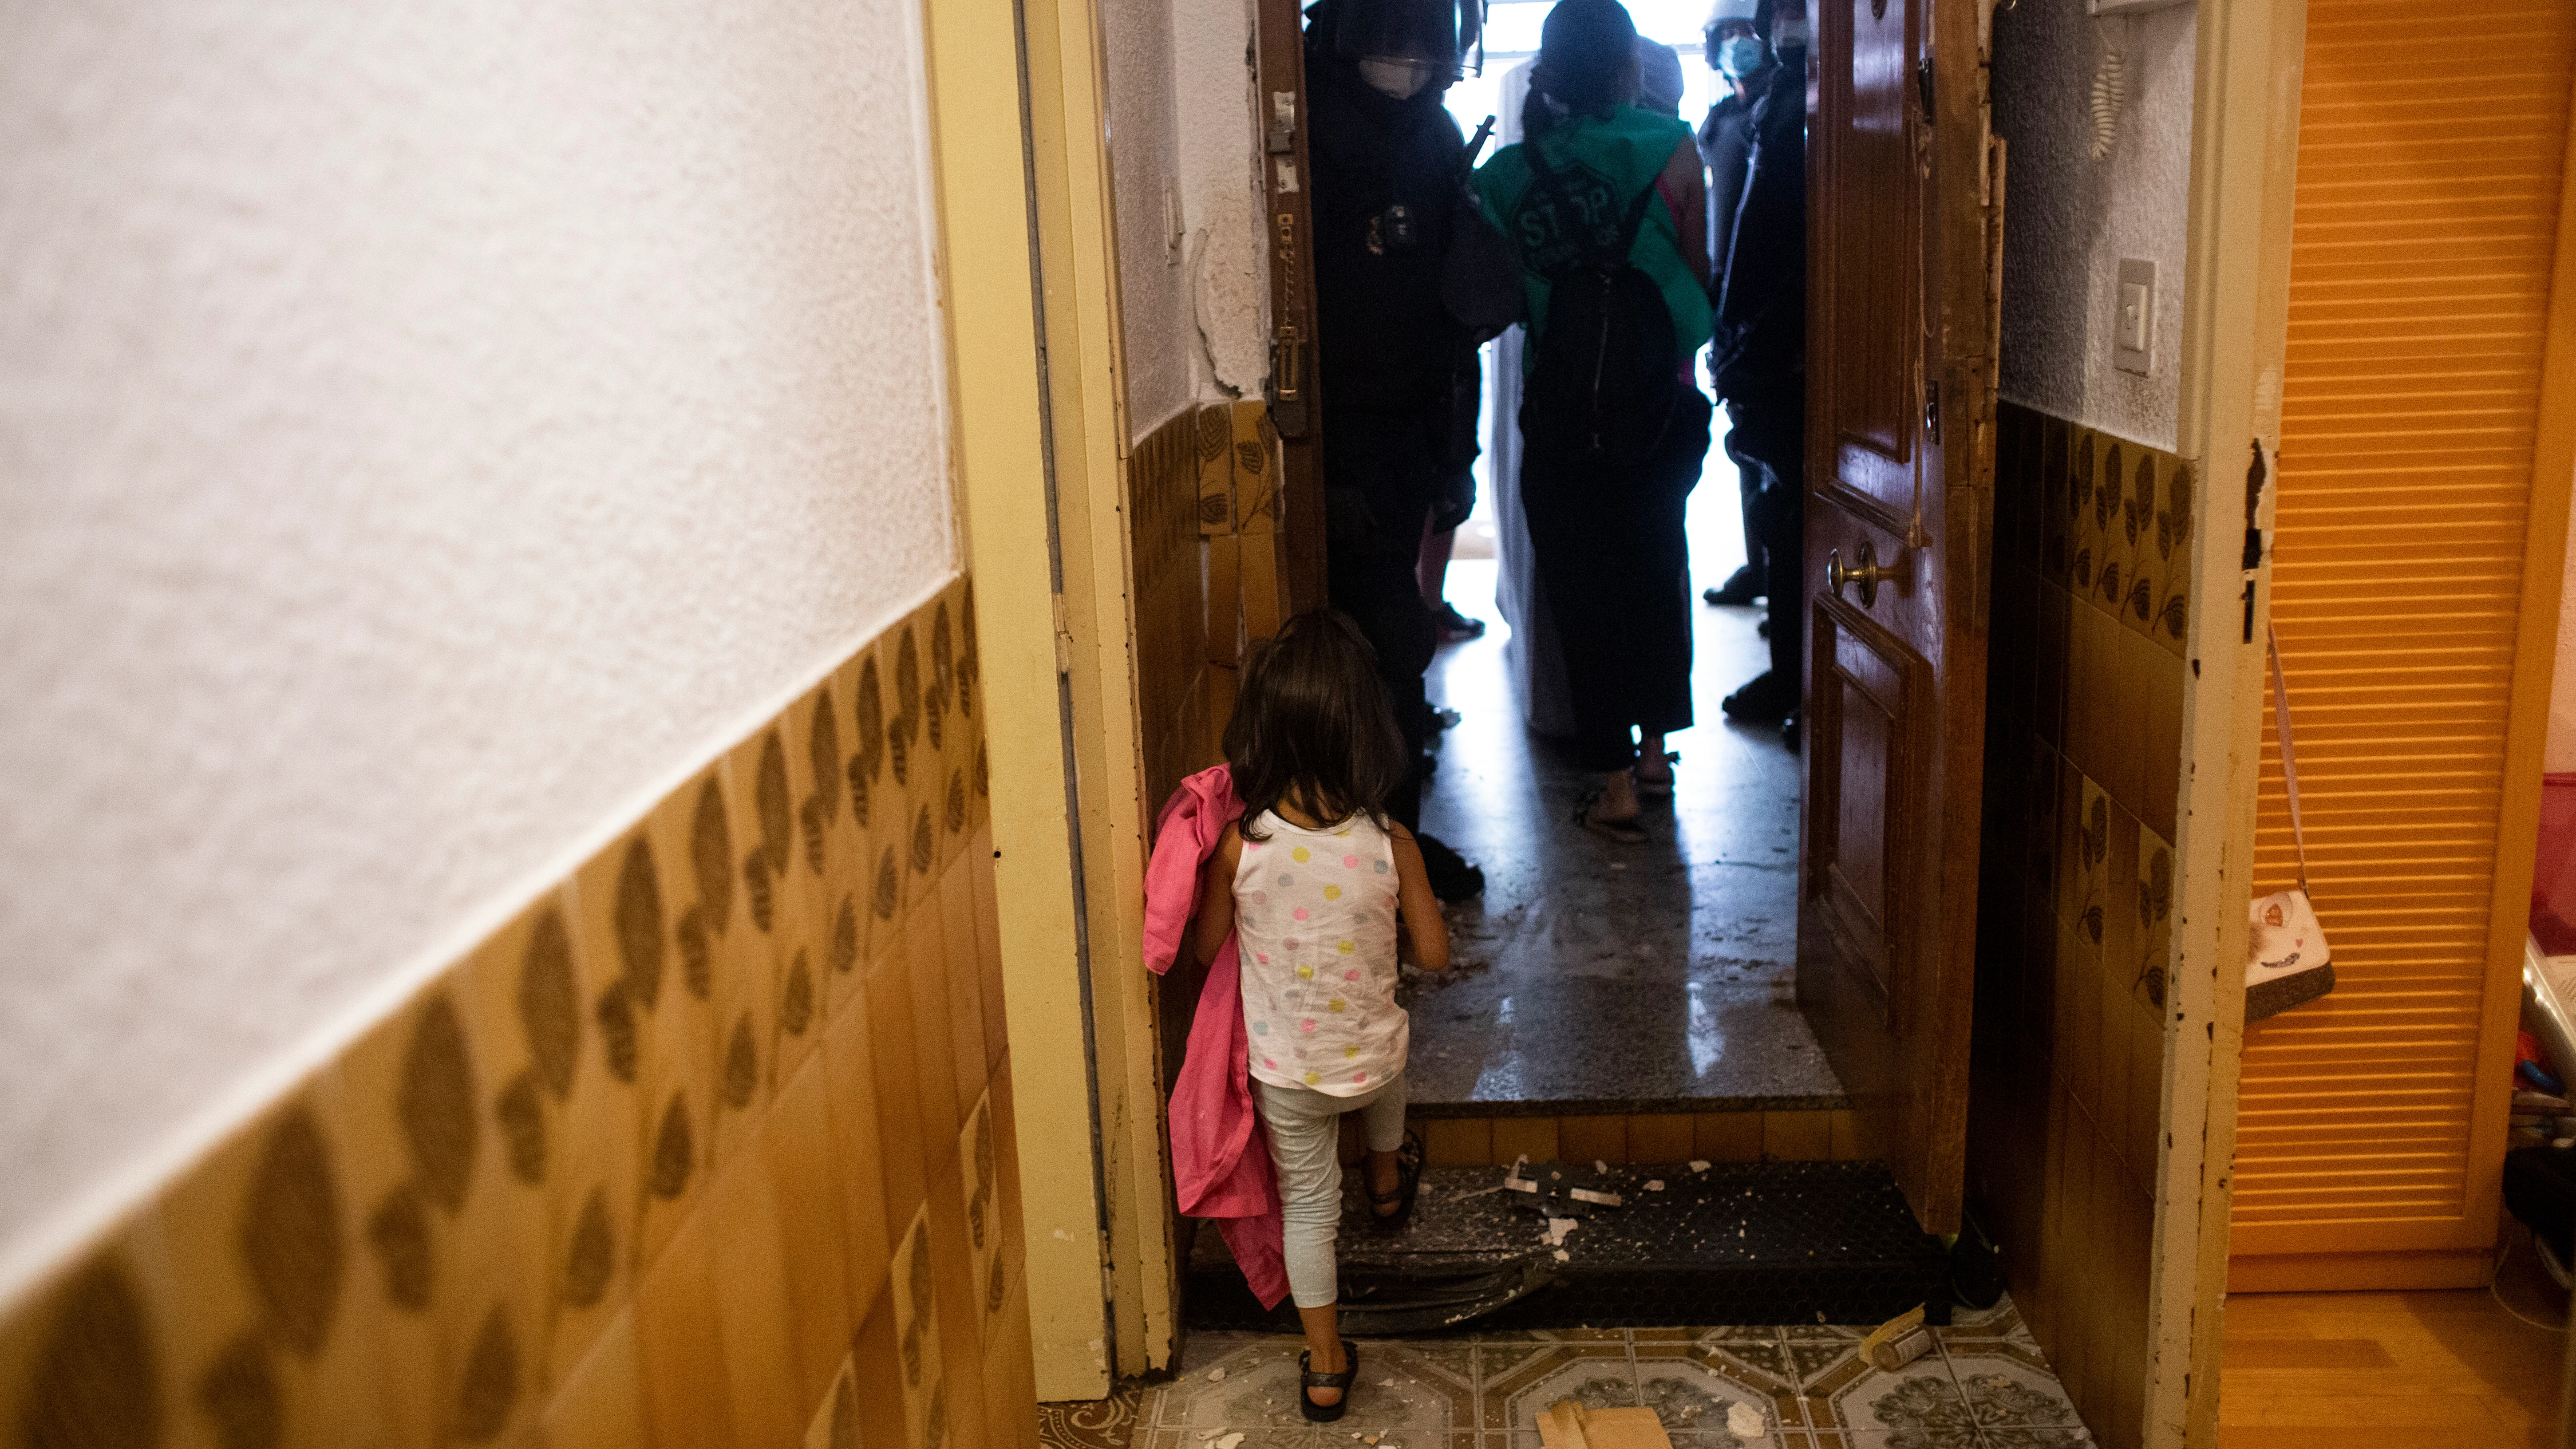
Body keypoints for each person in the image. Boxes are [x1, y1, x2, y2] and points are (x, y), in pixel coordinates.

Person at [1187, 611, 1451, 1422]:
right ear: (1366, 728)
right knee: (1391, 1057)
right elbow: (1435, 957)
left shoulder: (1244, 843)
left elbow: (1205, 951)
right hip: (1368, 1059)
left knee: (1307, 1205)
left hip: (1286, 1074)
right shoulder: (1390, 840)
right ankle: (1383, 1177)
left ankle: (1327, 1364)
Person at [1475, 0, 1712, 841]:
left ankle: (1611, 779)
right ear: (1627, 68)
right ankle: (1654, 753)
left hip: (1563, 414)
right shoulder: (1673, 148)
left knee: (1584, 593)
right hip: (1658, 413)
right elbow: (1700, 278)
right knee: (1656, 570)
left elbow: (1481, 293)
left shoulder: (1508, 174)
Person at [1306, 0, 1504, 897]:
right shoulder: (1306, 123)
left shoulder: (1432, 134)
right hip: (1329, 442)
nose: (1409, 61)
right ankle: (1367, 864)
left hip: (1405, 441)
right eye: (1392, 41)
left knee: (1396, 660)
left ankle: (1396, 858)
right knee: (1371, 656)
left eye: (1426, 45)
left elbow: (1454, 326)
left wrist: (1455, 457)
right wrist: (1330, 462)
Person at [1708, 6, 1809, 740]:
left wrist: (1749, 340)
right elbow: (1750, 231)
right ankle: (1795, 672)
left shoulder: (1816, 103)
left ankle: (1800, 677)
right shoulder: (1771, 108)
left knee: (1793, 515)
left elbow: (1785, 247)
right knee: (1780, 510)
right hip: (1761, 339)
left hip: (1789, 342)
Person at [1696, 0, 1773, 610]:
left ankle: (1784, 576)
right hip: (1724, 298)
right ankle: (1760, 565)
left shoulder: (1787, 111)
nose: (1740, 42)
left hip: (1772, 297)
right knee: (1742, 439)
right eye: (1729, 34)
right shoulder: (1719, 121)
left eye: (1749, 30)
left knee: (1777, 444)